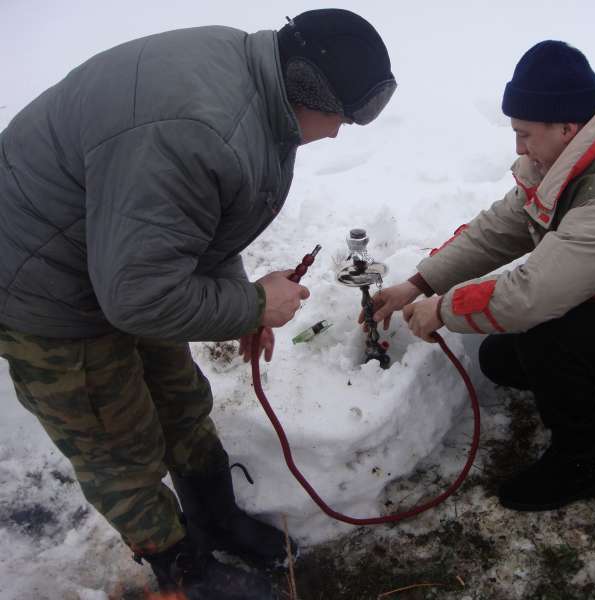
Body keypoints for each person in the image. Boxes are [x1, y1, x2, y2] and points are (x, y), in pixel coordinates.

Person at [0, 9, 395, 599]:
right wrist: (252, 304)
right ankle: (184, 570)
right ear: (308, 86)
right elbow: (139, 297)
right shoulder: (197, 128)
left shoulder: (255, 86)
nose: (340, 132)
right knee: (119, 444)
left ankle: (215, 519)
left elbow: (196, 219)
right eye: (342, 116)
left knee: (181, 401)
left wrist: (241, 301)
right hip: (43, 287)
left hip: (118, 260)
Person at [367, 40, 595, 513]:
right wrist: (419, 283)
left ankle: (583, 463)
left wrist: (441, 310)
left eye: (525, 135)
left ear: (567, 127)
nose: (517, 147)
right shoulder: (572, 157)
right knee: (502, 358)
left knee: (544, 338)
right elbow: (504, 226)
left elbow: (530, 297)